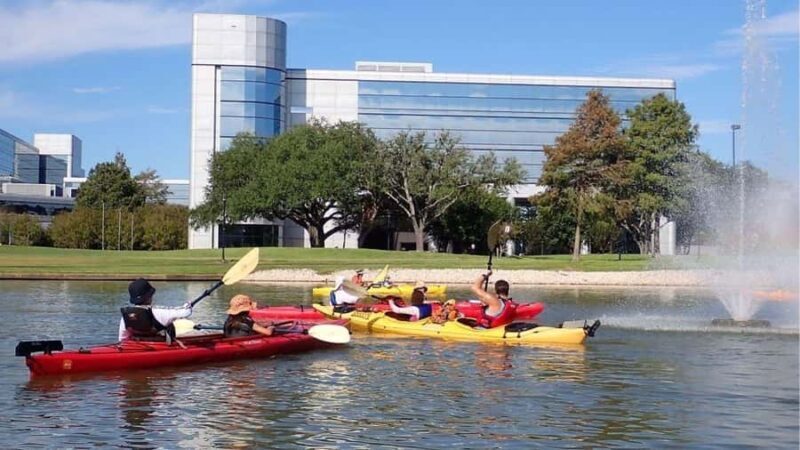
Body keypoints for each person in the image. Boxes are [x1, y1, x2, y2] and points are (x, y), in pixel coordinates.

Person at [119, 278, 192, 343]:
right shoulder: (158, 312)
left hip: (136, 347)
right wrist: (187, 306)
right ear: (149, 297)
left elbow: (122, 339)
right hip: (160, 347)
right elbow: (185, 312)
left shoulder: (126, 316)